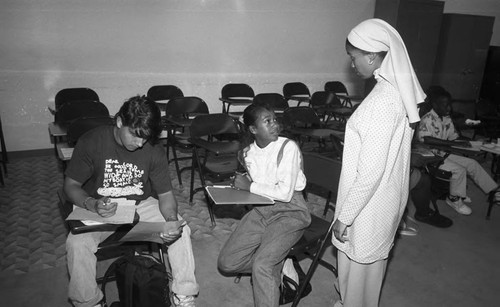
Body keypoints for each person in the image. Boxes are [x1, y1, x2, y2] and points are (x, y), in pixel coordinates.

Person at [64, 96, 199, 307]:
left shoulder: (152, 148)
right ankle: (88, 302)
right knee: (77, 244)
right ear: (119, 122)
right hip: (100, 206)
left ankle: (184, 294)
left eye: (145, 138)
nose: (140, 143)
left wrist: (171, 219)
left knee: (181, 229)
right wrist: (91, 203)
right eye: (135, 136)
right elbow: (70, 185)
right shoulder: (92, 142)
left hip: (140, 204)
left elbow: (165, 195)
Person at [332, 18, 426, 307]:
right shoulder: (392, 90)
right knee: (359, 275)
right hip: (381, 199)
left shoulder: (383, 101)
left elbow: (371, 172)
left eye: (354, 57)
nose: (352, 65)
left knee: (360, 280)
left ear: (372, 56)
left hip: (368, 206)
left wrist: (345, 216)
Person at [217, 103, 311, 307]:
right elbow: (259, 184)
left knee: (262, 265)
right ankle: (279, 262)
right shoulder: (246, 153)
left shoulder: (288, 147)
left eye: (275, 119)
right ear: (253, 129)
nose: (275, 124)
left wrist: (250, 186)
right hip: (261, 209)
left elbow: (285, 194)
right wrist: (241, 186)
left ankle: (270, 265)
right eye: (267, 121)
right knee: (227, 262)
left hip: (291, 211)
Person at [416, 86, 500, 215]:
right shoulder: (427, 119)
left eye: (450, 105)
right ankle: (454, 199)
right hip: (431, 158)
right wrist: (450, 143)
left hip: (444, 154)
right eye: (445, 105)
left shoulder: (446, 118)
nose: (449, 108)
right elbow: (426, 139)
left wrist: (469, 143)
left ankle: (494, 192)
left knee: (473, 164)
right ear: (435, 105)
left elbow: (454, 137)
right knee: (459, 170)